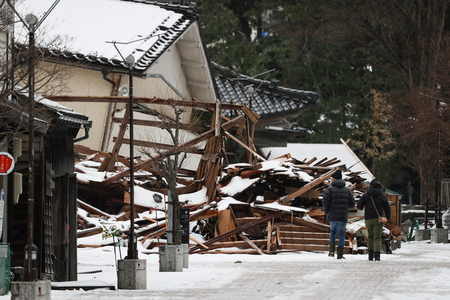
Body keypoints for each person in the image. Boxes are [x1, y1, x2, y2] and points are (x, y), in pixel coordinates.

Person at [322, 169, 355, 259]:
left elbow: (325, 202)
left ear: (334, 179)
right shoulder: (347, 190)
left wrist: (326, 211)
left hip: (332, 215)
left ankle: (331, 252)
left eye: (332, 178)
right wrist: (345, 208)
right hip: (342, 216)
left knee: (333, 232)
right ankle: (340, 254)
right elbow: (352, 204)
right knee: (341, 234)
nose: (331, 179)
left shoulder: (329, 190)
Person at [357, 179, 391, 261]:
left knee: (370, 237)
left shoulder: (366, 195)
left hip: (368, 219)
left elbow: (359, 206)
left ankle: (370, 256)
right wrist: (387, 217)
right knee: (378, 238)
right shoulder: (382, 195)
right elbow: (387, 208)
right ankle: (377, 256)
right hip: (378, 219)